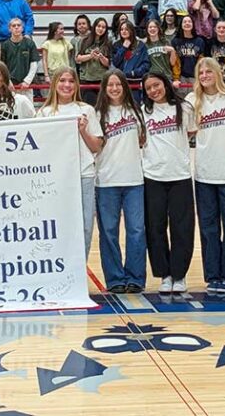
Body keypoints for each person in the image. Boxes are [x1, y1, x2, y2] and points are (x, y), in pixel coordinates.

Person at [186, 57, 225, 293]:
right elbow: (190, 131)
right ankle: (213, 275)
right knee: (209, 228)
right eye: (200, 72)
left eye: (208, 71)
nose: (204, 76)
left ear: (217, 73)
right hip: (204, 174)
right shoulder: (192, 101)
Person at [37, 67, 103, 257]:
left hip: (83, 174)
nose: (67, 85)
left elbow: (97, 146)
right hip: (57, 178)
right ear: (54, 84)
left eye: (71, 81)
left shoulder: (86, 110)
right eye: (62, 80)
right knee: (58, 225)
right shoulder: (44, 113)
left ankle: (79, 270)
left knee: (85, 226)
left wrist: (83, 131)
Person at [141, 72, 195, 294]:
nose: (154, 90)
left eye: (157, 85)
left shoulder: (184, 108)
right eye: (149, 88)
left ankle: (180, 274)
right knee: (155, 228)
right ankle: (164, 274)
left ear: (165, 84)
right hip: (153, 176)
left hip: (180, 175)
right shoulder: (144, 112)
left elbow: (191, 132)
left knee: (182, 228)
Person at [94, 69, 147, 293]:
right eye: (110, 85)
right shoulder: (97, 114)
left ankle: (135, 277)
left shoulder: (136, 111)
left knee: (136, 230)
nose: (114, 89)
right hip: (106, 181)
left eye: (118, 84)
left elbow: (143, 140)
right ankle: (115, 278)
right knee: (109, 232)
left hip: (134, 179)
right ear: (104, 89)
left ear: (125, 86)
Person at [0, 17, 40, 100]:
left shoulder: (30, 43)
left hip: (26, 86)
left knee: (28, 110)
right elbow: (2, 66)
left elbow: (34, 63)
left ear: (22, 28)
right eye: (13, 26)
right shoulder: (5, 45)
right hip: (11, 85)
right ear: (9, 29)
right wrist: (8, 81)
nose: (16, 27)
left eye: (19, 25)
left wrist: (27, 81)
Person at [75, 17, 112, 105]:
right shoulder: (84, 41)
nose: (100, 29)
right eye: (99, 26)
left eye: (103, 27)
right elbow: (78, 59)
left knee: (102, 106)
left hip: (102, 79)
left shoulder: (108, 42)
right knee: (89, 107)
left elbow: (109, 64)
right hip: (87, 79)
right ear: (94, 27)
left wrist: (101, 57)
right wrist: (90, 56)